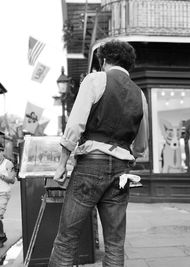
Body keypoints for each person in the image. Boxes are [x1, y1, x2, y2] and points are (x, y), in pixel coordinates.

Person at [48, 40, 148, 267]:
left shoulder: (95, 79)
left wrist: (62, 163)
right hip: (122, 171)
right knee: (114, 244)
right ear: (128, 65)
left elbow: (75, 125)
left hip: (91, 164)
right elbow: (141, 144)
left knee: (67, 239)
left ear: (104, 61)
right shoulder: (139, 94)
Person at [0, 143, 16, 248]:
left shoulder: (8, 164)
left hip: (3, 193)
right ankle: (1, 236)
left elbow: (12, 180)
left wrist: (1, 176)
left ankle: (1, 236)